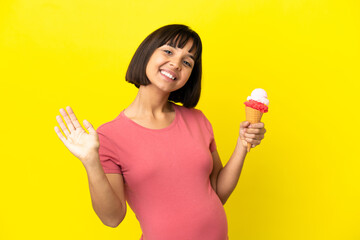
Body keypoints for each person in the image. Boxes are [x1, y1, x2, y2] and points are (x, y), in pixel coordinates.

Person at [54, 24, 266, 240]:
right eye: (168, 51)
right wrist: (91, 162)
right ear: (147, 53)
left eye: (187, 62)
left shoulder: (198, 120)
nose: (175, 64)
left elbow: (217, 192)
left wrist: (242, 145)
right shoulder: (109, 136)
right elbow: (112, 218)